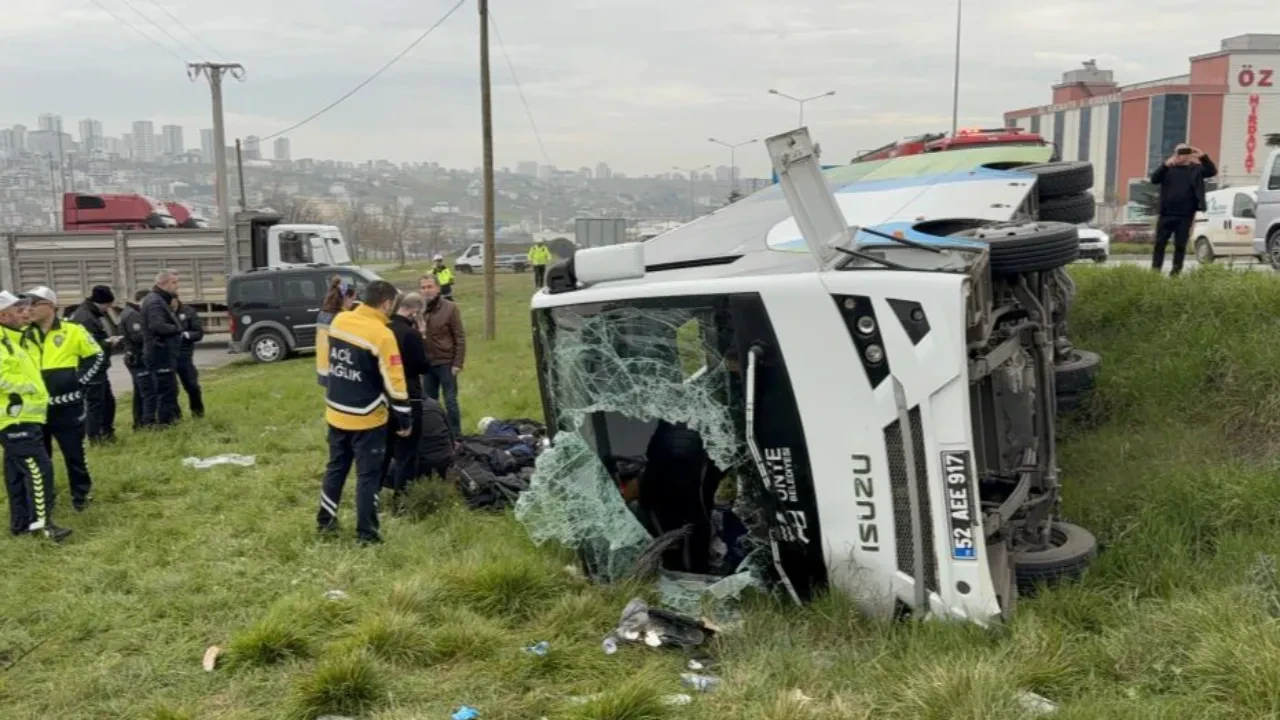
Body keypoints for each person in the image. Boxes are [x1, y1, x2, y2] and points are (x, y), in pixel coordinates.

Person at [317, 280, 412, 544]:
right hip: (367, 417)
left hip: (336, 411)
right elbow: (395, 380)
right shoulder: (383, 335)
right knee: (368, 477)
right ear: (386, 303)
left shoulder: (340, 321)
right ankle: (366, 535)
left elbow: (328, 357)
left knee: (335, 468)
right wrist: (404, 418)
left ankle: (325, 523)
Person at [22, 286, 105, 513]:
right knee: (40, 457)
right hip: (35, 409)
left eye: (34, 304)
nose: (28, 310)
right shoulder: (23, 335)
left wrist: (79, 382)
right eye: (26, 304)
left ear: (50, 307)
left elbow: (96, 355)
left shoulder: (72, 331)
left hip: (67, 406)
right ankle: (45, 500)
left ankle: (81, 495)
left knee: (74, 453)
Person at [0, 291, 71, 542]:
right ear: (2, 316)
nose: (25, 313)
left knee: (17, 473)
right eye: (18, 310)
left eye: (26, 308)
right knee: (39, 470)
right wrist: (26, 388)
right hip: (15, 418)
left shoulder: (16, 337)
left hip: (24, 417)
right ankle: (43, 526)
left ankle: (20, 525)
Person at [381, 292, 430, 503]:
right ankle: (401, 500)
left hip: (383, 396)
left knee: (384, 450)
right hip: (409, 396)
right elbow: (422, 366)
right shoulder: (411, 334)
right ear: (415, 311)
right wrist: (423, 335)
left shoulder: (384, 330)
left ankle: (373, 493)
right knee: (407, 452)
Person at [1150, 143, 1218, 276]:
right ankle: (1155, 271)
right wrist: (1165, 164)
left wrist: (1203, 157)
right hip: (1166, 213)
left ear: (1189, 155)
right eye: (1178, 152)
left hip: (1185, 215)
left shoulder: (1195, 169)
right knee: (1160, 243)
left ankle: (1175, 272)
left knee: (1180, 245)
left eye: (1184, 152)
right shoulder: (1168, 169)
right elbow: (1154, 179)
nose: (1180, 155)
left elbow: (1212, 171)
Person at [71, 285, 121, 444]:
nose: (109, 308)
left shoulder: (93, 313)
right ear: (101, 302)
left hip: (99, 367)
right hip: (90, 368)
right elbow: (88, 345)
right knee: (96, 405)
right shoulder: (85, 318)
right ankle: (95, 438)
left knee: (107, 402)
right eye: (107, 305)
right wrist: (108, 343)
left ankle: (106, 432)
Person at [418, 274, 466, 434]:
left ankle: (456, 435)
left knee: (450, 401)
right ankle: (436, 434)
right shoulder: (418, 309)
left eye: (430, 286)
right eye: (423, 287)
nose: (426, 290)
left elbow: (459, 336)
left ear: (437, 288)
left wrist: (457, 363)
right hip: (426, 364)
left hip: (446, 362)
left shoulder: (450, 308)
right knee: (430, 403)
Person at [140, 270, 184, 426]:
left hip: (164, 352)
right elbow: (157, 326)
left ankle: (172, 420)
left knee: (170, 389)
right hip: (159, 352)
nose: (177, 286)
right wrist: (177, 329)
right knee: (165, 390)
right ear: (163, 284)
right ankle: (166, 424)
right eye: (174, 282)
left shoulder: (161, 300)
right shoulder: (154, 302)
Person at [316, 276, 356, 387]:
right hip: (337, 368)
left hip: (323, 365)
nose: (352, 304)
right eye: (352, 300)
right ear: (346, 298)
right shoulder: (342, 317)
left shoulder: (323, 313)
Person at [118, 291, 150, 430]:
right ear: (142, 300)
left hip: (134, 356)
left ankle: (139, 423)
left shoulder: (130, 312)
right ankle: (144, 423)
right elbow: (138, 337)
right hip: (137, 358)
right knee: (146, 392)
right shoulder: (133, 315)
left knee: (139, 392)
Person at [174, 299, 205, 418]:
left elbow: (199, 333)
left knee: (192, 386)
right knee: (171, 389)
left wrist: (186, 335)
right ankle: (175, 416)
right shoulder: (162, 311)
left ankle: (198, 413)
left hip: (184, 355)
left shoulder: (188, 312)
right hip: (168, 356)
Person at [416, 395, 455, 481]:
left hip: (421, 466)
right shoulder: (435, 404)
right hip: (446, 460)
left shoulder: (401, 411)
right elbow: (451, 435)